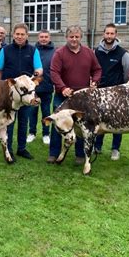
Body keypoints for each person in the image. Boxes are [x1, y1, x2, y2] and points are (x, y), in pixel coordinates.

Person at [48, 25, 102, 165]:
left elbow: (97, 70)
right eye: (71, 37)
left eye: (77, 37)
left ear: (80, 38)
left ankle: (80, 154)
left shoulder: (89, 53)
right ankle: (53, 153)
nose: (74, 39)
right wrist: (62, 87)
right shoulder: (59, 53)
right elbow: (54, 72)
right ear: (66, 37)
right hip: (63, 95)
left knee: (82, 125)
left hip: (82, 97)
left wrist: (95, 81)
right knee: (58, 124)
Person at [0, 23, 42, 160]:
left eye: (22, 34)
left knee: (23, 121)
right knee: (8, 122)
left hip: (26, 95)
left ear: (27, 35)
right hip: (9, 94)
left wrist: (38, 71)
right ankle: (8, 149)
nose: (19, 36)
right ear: (13, 35)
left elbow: (39, 68)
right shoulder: (5, 50)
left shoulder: (33, 50)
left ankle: (21, 148)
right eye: (17, 34)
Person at [93, 23, 129, 160]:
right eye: (107, 33)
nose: (109, 36)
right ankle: (97, 146)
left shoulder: (123, 54)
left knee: (117, 122)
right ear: (103, 34)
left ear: (116, 35)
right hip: (99, 92)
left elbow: (127, 73)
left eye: (112, 33)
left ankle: (115, 149)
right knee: (99, 120)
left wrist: (120, 85)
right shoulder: (96, 52)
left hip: (117, 94)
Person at [27, 30, 55, 145]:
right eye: (41, 37)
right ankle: (32, 133)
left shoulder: (54, 51)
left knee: (46, 112)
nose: (43, 39)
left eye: (46, 37)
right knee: (32, 111)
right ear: (38, 38)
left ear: (49, 38)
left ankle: (46, 134)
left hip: (47, 87)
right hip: (34, 88)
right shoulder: (33, 50)